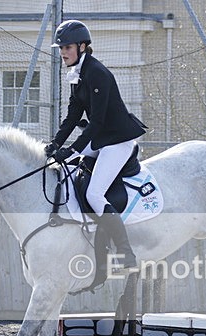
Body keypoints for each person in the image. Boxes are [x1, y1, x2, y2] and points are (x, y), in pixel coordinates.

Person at [44, 20, 147, 271]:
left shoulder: (97, 73)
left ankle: (125, 252)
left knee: (94, 193)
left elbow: (98, 122)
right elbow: (72, 116)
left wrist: (74, 149)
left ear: (81, 46)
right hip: (102, 138)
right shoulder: (78, 73)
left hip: (117, 140)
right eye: (60, 48)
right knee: (64, 167)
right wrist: (56, 143)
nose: (62, 53)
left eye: (66, 47)